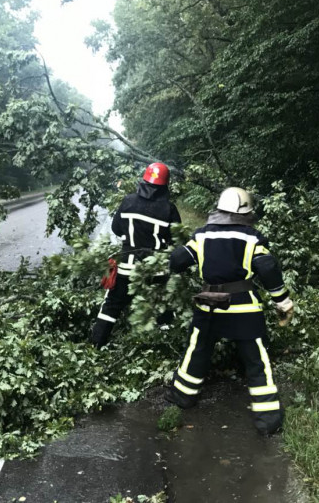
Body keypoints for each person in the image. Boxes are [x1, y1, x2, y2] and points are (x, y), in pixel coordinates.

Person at [164, 187, 294, 435]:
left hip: (208, 305)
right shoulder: (252, 238)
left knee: (197, 349)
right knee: (256, 360)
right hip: (243, 307)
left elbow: (179, 260)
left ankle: (182, 395)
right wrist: (283, 300)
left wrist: (158, 267)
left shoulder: (201, 236)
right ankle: (268, 419)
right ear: (246, 210)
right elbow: (267, 269)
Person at [90, 162, 181, 348]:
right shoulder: (169, 209)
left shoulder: (128, 201)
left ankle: (96, 345)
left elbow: (116, 228)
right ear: (165, 185)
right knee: (163, 307)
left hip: (126, 267)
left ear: (143, 180)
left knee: (112, 305)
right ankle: (165, 349)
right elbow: (176, 240)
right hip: (155, 269)